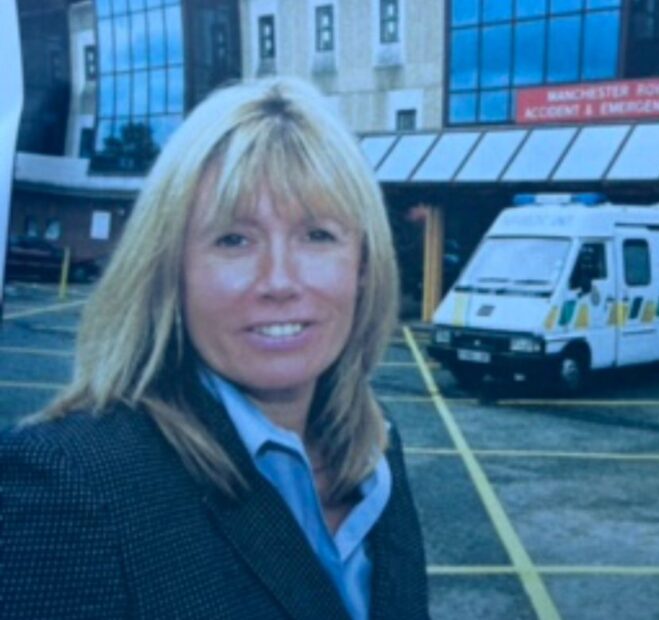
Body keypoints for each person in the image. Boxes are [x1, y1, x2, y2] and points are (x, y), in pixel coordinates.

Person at [0, 77, 429, 620]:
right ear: (170, 271)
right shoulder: (70, 484)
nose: (279, 280)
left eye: (318, 235)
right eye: (233, 239)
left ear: (364, 266)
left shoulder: (376, 446)